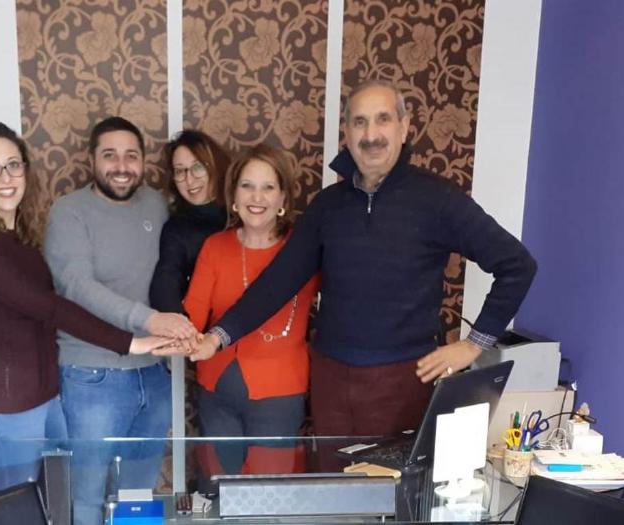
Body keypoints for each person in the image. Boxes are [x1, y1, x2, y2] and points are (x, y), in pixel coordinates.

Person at [168, 79, 537, 453]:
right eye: (359, 122)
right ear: (346, 132)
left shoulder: (438, 199)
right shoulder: (328, 206)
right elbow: (277, 283)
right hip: (331, 382)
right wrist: (219, 337)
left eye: (382, 119)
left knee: (391, 499)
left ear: (404, 126)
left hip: (404, 380)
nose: (371, 134)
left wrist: (474, 346)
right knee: (335, 495)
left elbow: (517, 265)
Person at [0, 122, 171, 493]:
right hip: (3, 402)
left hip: (43, 398)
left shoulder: (16, 237)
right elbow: (50, 307)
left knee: (54, 506)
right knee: (14, 513)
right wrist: (132, 342)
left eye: (14, 165)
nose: (5, 177)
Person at [44, 117, 194, 524]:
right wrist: (150, 320)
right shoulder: (69, 212)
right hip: (92, 375)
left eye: (131, 155)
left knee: (138, 494)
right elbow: (76, 286)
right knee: (88, 494)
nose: (121, 165)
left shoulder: (156, 205)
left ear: (143, 161)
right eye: (110, 155)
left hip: (153, 372)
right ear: (92, 159)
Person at [183, 144, 318, 478]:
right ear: (233, 194)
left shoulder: (304, 251)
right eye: (247, 186)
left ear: (283, 198)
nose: (256, 197)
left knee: (267, 499)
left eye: (268, 187)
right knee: (219, 490)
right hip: (216, 391)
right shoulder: (216, 247)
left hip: (280, 393)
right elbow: (194, 314)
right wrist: (179, 334)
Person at [149, 129, 231, 313]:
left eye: (198, 167)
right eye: (180, 171)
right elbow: (165, 284)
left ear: (215, 166)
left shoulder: (243, 211)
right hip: (203, 330)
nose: (189, 179)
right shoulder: (177, 229)